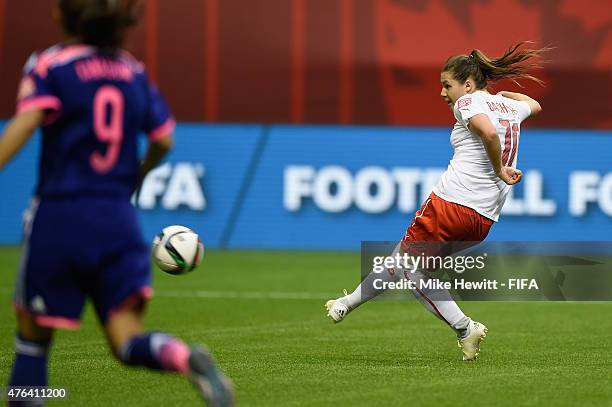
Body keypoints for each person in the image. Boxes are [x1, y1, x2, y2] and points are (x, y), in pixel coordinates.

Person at [0, 1, 233, 405]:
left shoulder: (51, 66)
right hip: (117, 220)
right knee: (126, 339)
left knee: (33, 340)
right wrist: (135, 176)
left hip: (61, 216)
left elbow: (24, 125)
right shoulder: (133, 72)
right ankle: (182, 357)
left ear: (62, 16)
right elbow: (163, 139)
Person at [325, 42, 548, 361]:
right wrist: (503, 99)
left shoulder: (468, 102)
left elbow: (486, 131)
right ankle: (345, 304)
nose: (444, 93)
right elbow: (535, 105)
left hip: (452, 203)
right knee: (404, 259)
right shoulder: (508, 108)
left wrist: (499, 168)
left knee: (410, 271)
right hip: (483, 218)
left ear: (468, 85)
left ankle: (464, 328)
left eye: (447, 85)